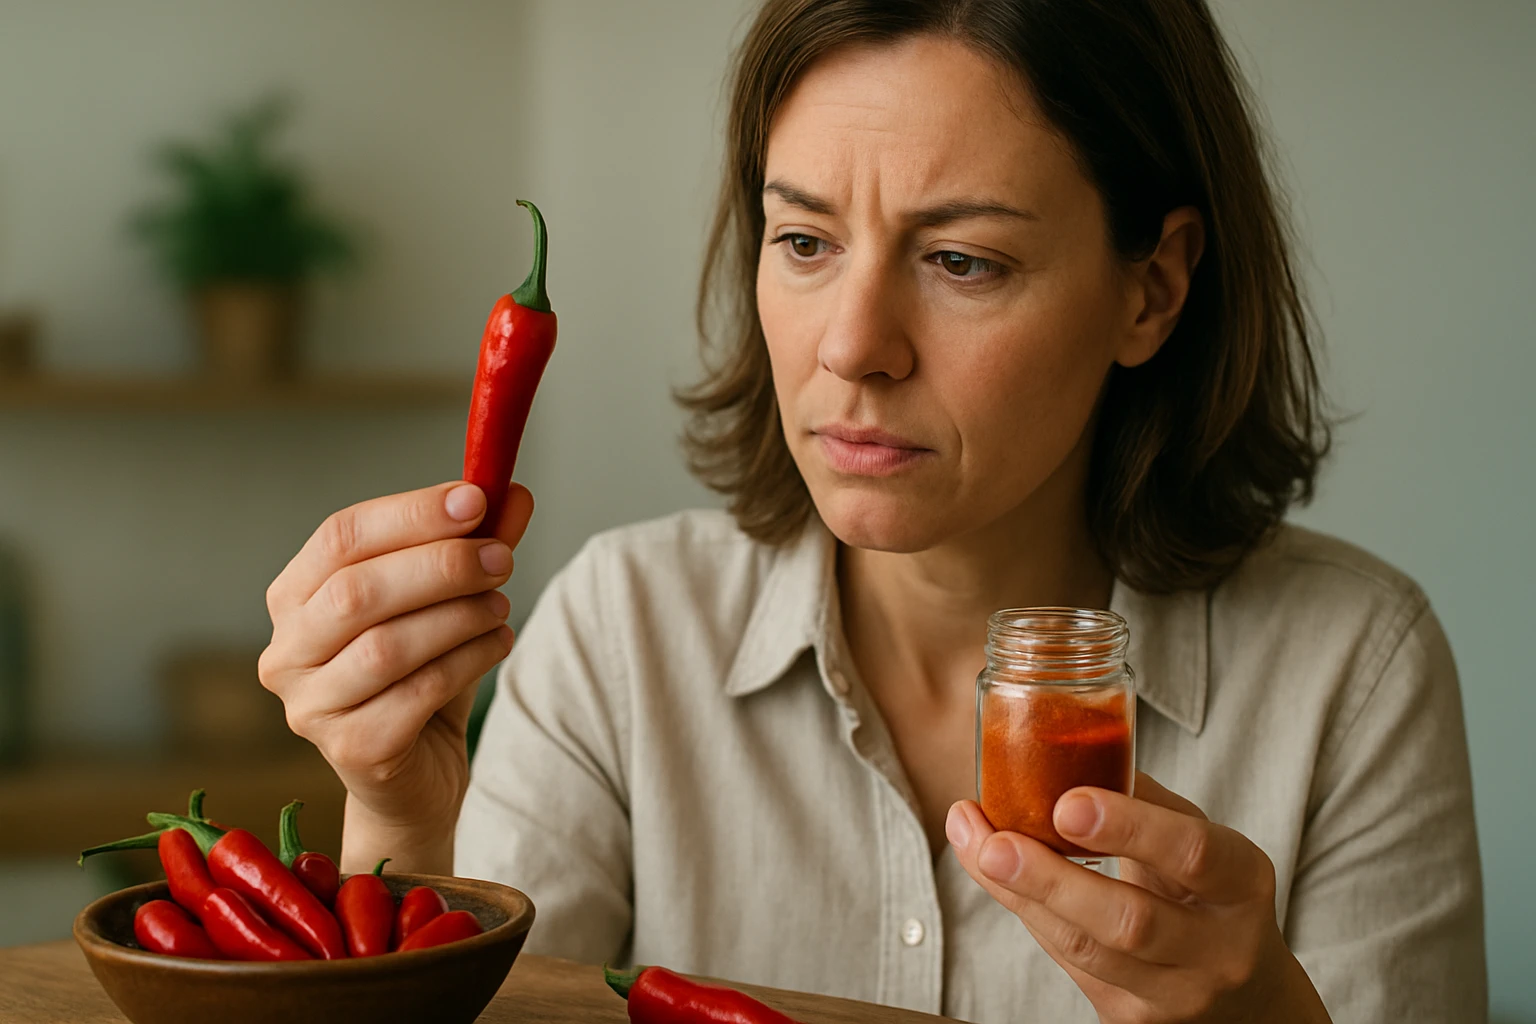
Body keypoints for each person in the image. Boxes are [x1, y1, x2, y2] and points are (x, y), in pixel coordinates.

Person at [257, 1, 1485, 1020]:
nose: (852, 345)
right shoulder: (617, 633)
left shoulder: (1351, 671)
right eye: (803, 240)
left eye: (963, 261)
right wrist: (405, 815)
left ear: (1152, 289)